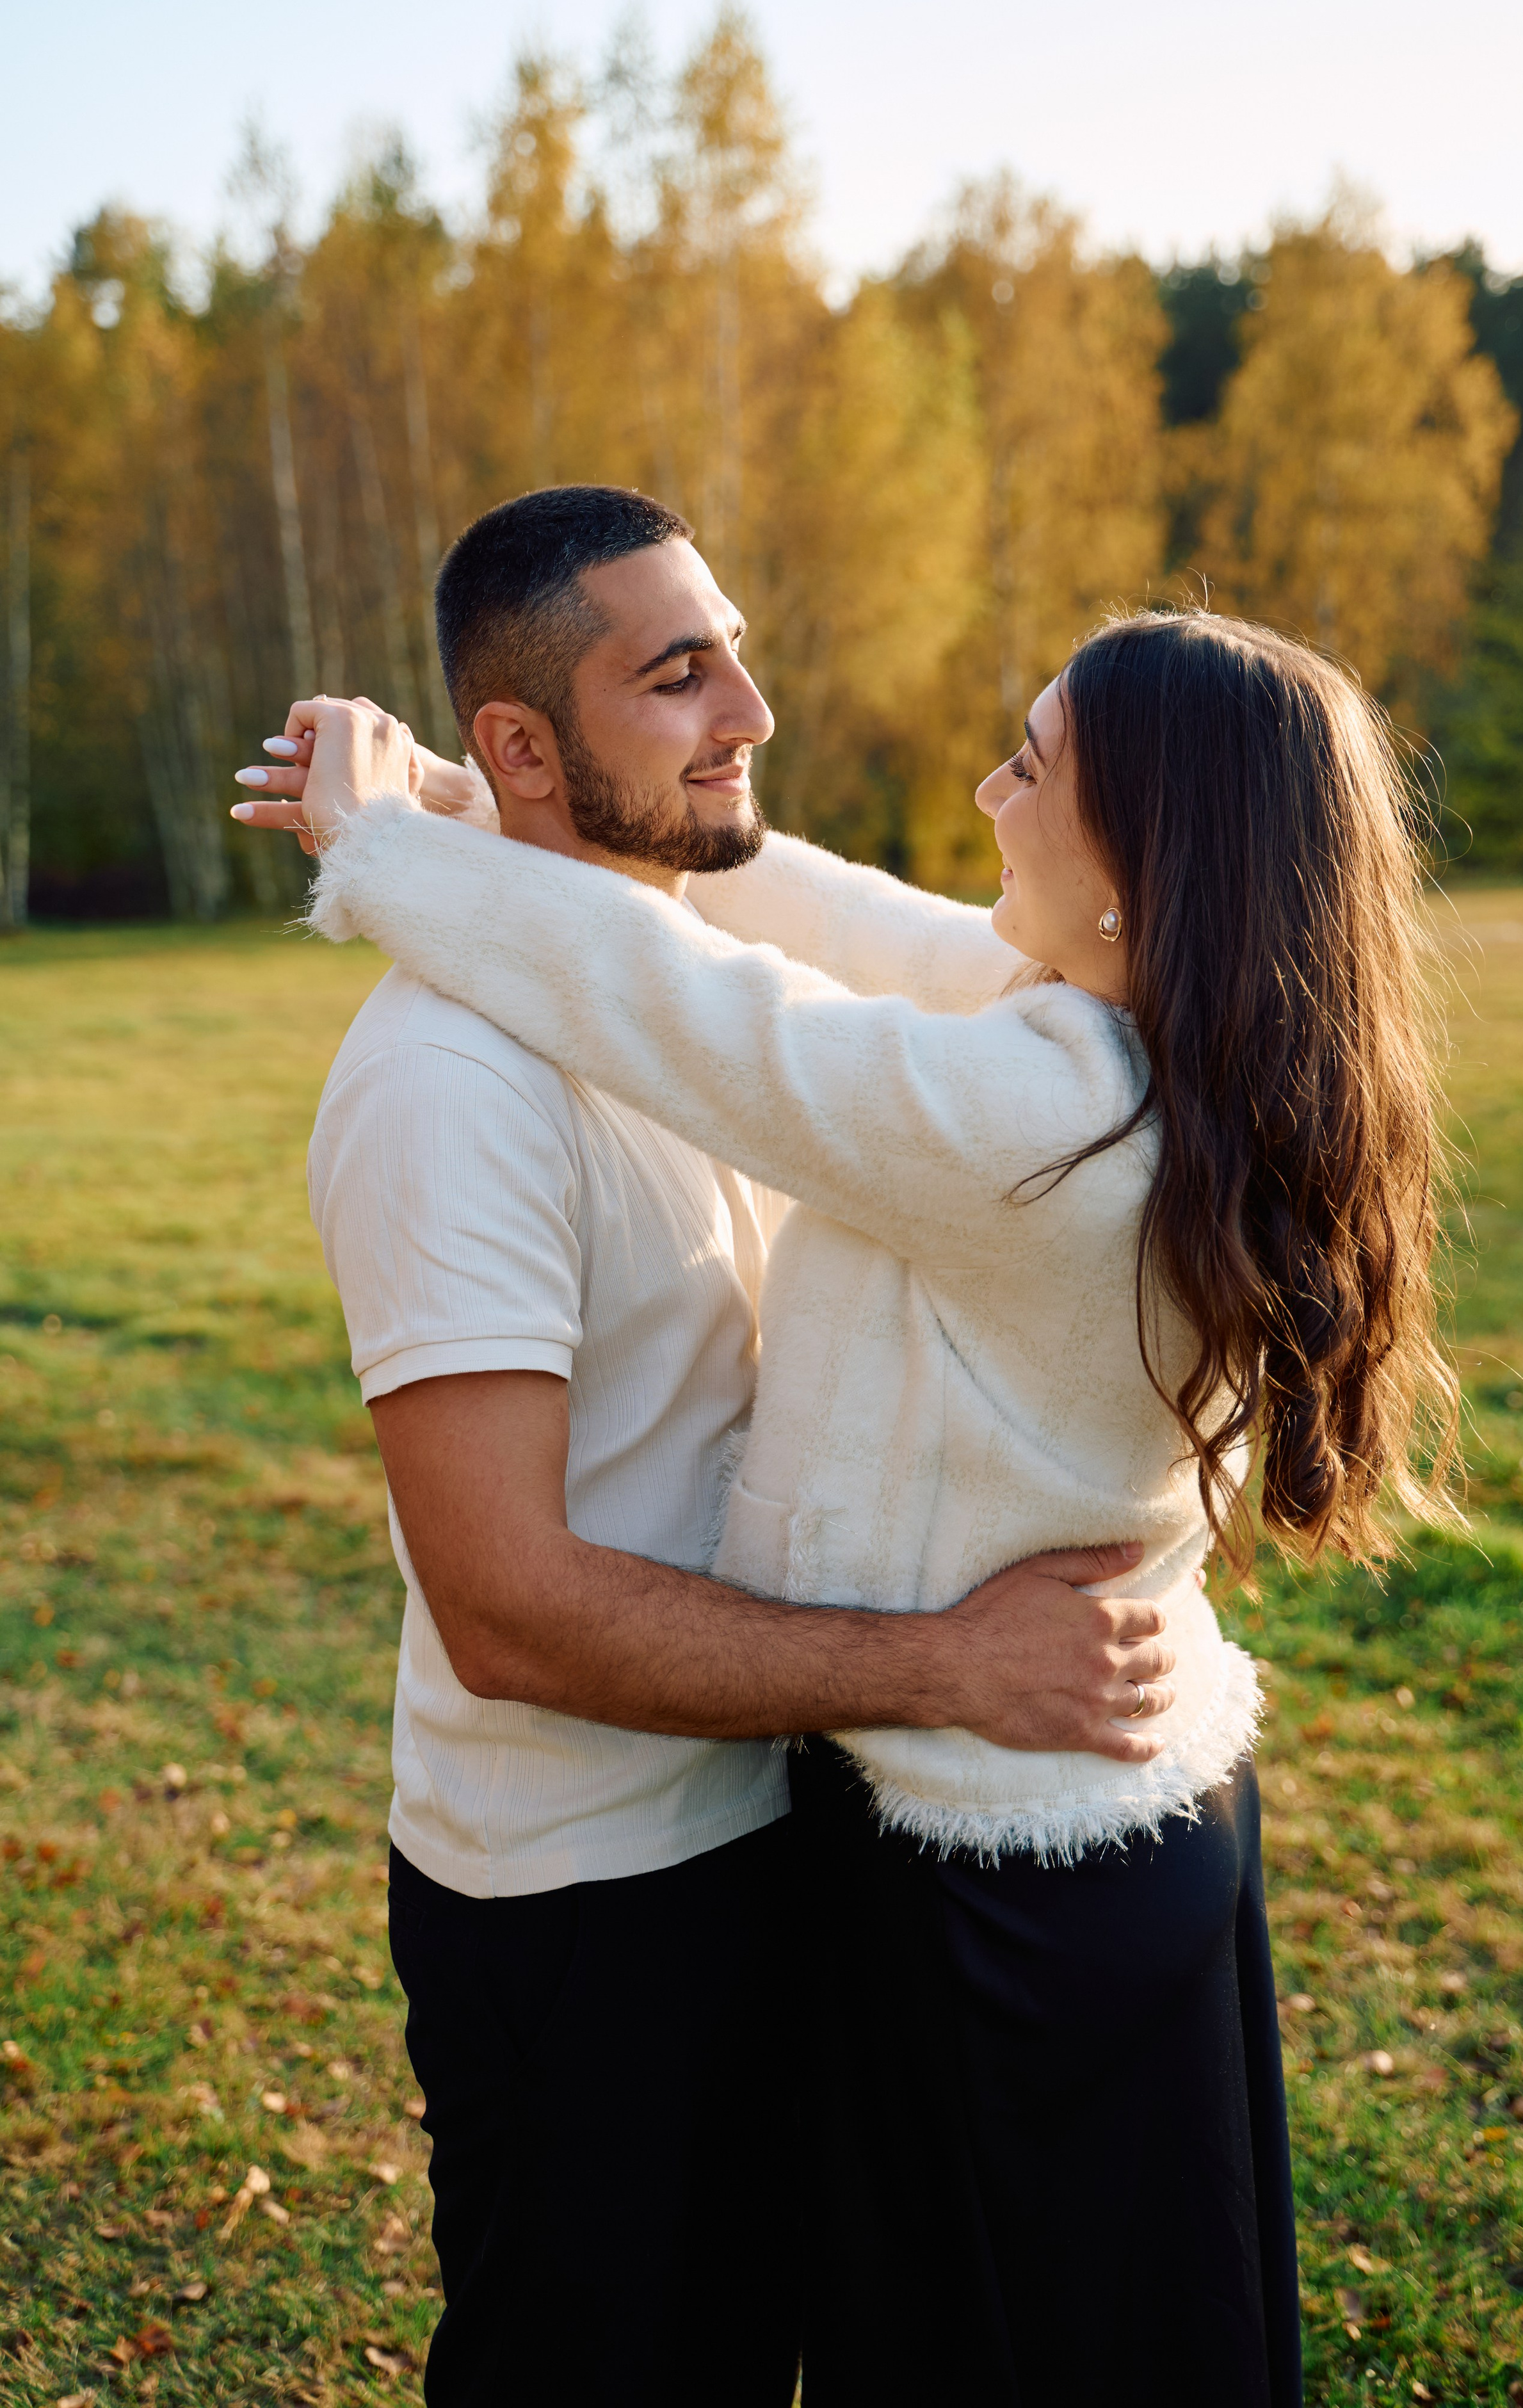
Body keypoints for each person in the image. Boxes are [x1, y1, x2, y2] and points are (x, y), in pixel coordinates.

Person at [268, 522, 1460, 2406]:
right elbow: (805, 914)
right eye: (680, 674)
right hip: (1037, 1821)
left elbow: (720, 1021)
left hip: (1008, 1854)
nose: (986, 788)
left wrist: (399, 852)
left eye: (1032, 765)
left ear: (1145, 870)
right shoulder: (1154, 1037)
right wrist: (464, 803)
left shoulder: (1041, 1117)